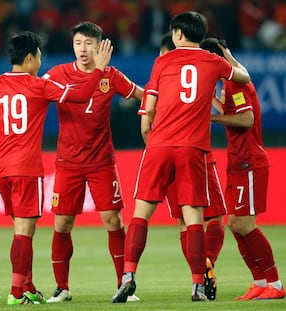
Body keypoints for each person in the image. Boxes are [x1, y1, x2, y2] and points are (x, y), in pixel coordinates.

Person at [0, 31, 113, 305]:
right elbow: (83, 94)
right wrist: (99, 69)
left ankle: (27, 286)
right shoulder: (38, 86)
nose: (40, 61)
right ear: (29, 58)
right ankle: (16, 292)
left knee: (19, 230)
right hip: (26, 168)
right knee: (24, 233)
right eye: (39, 55)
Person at [112, 11, 250, 303]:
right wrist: (228, 57)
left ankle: (128, 276)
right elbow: (244, 77)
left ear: (177, 34)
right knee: (194, 219)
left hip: (159, 146)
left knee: (140, 215)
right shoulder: (214, 62)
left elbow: (148, 107)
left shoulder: (162, 61)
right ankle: (198, 285)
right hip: (193, 148)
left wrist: (152, 137)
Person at [42, 21, 144, 303]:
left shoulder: (111, 75)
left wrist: (171, 101)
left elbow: (142, 95)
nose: (83, 49)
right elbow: (36, 92)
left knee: (113, 220)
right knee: (62, 223)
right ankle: (62, 287)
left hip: (101, 162)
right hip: (68, 162)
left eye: (88, 43)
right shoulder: (58, 73)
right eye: (78, 43)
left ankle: (122, 285)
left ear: (100, 46)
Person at [143, 32, 226, 301]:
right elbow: (222, 112)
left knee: (182, 221)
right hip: (196, 155)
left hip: (161, 155)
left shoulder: (159, 80)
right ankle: (206, 264)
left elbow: (146, 125)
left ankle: (198, 271)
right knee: (212, 219)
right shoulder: (201, 72)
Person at [203, 37, 285, 300]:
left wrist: (212, 117)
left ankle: (274, 283)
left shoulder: (235, 81)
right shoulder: (230, 81)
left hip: (250, 162)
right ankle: (260, 282)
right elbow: (230, 107)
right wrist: (211, 101)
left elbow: (246, 119)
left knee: (244, 225)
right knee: (235, 224)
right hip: (238, 161)